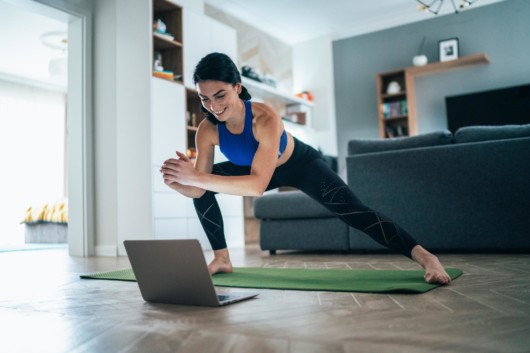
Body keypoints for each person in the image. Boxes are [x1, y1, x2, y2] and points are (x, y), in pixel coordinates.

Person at [160, 52, 452, 285]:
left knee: (354, 211)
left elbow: (257, 186)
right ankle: (222, 258)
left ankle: (426, 258)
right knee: (203, 191)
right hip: (253, 170)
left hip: (299, 165)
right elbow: (200, 187)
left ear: (237, 87)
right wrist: (183, 183)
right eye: (204, 98)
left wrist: (197, 177)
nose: (212, 105)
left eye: (219, 95)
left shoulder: (264, 118)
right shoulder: (206, 130)